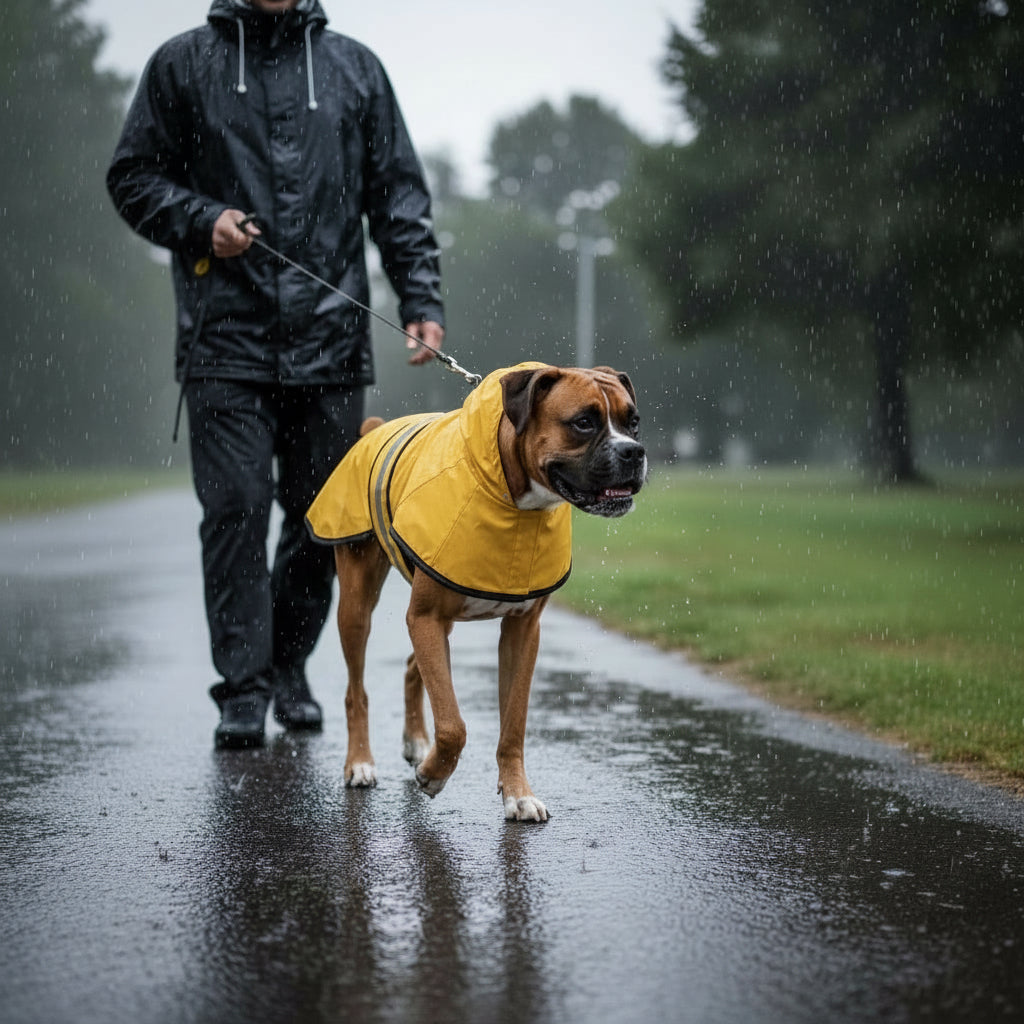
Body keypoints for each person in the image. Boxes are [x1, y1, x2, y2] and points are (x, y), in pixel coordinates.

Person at [107, 0, 445, 749]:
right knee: (233, 508)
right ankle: (243, 690)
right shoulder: (181, 63)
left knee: (319, 521)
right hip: (223, 340)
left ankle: (289, 668)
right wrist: (201, 220)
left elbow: (397, 195)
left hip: (331, 344)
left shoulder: (356, 69)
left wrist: (420, 294)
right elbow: (132, 178)